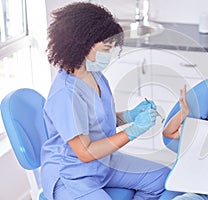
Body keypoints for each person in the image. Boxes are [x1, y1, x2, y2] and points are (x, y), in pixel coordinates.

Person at [41, 2, 170, 200]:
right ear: (83, 44)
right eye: (106, 48)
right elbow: (84, 153)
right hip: (72, 177)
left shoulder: (95, 74)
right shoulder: (66, 94)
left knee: (162, 179)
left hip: (102, 163)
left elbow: (99, 121)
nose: (108, 55)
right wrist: (133, 131)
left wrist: (130, 115)